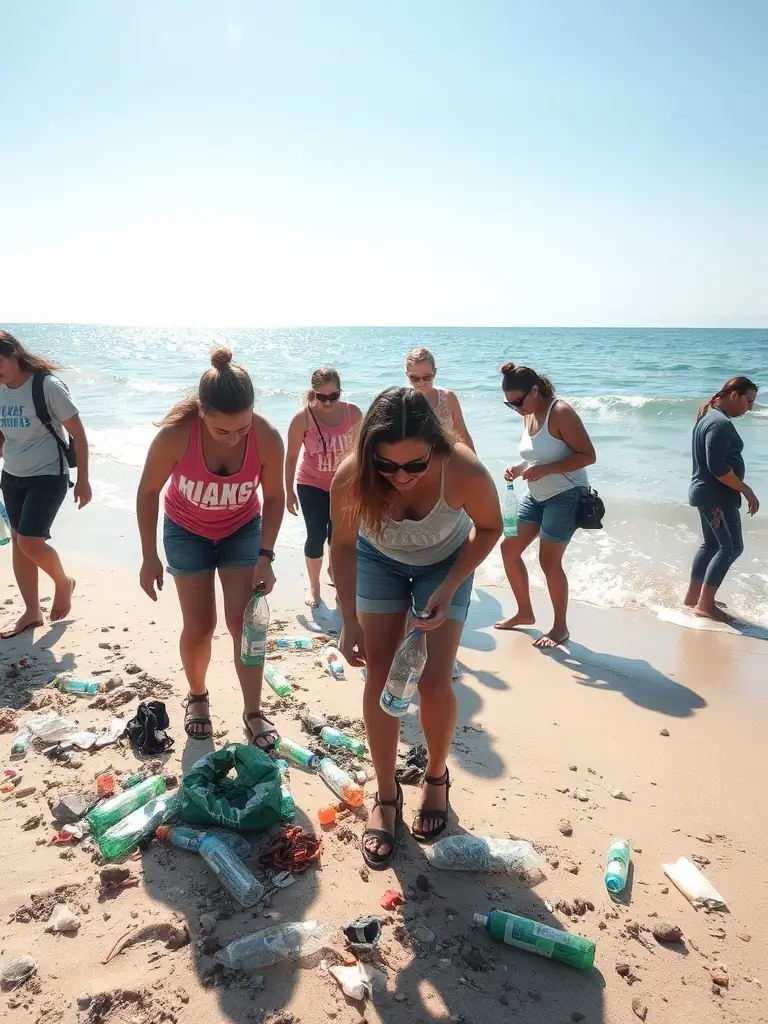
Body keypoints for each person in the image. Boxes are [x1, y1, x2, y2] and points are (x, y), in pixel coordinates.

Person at [331, 386, 502, 869]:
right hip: (377, 561)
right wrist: (348, 619)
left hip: (444, 566)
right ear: (369, 456)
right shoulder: (351, 478)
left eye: (415, 465)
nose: (401, 477)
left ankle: (435, 778)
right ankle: (385, 796)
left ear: (437, 448)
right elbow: (342, 546)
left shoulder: (463, 469)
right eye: (387, 466)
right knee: (381, 677)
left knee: (433, 679)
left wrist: (449, 586)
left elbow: (490, 528)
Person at [136, 347, 285, 744]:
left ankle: (253, 711)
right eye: (223, 431)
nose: (235, 437)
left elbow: (274, 497)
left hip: (241, 530)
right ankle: (198, 697)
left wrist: (266, 556)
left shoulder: (267, 437)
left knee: (246, 627)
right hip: (186, 531)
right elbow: (148, 491)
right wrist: (149, 556)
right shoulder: (176, 436)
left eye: (242, 427)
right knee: (201, 627)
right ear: (202, 411)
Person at [494, 361, 595, 647]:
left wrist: (546, 470)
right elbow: (538, 456)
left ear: (535, 390)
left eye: (518, 401)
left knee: (548, 562)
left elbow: (588, 455)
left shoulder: (560, 412)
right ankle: (525, 612)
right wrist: (519, 467)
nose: (516, 408)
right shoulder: (528, 413)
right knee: (508, 547)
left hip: (566, 495)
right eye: (509, 404)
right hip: (536, 495)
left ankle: (560, 628)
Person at [0, 330, 91, 638]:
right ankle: (31, 611)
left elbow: (78, 433)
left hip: (49, 475)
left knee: (30, 543)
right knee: (18, 542)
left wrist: (84, 481)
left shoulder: (47, 387)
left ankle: (63, 582)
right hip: (12, 475)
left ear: (14, 354)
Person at [683, 376, 759, 622]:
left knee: (712, 545)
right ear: (734, 395)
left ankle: (694, 598)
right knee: (731, 548)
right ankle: (704, 605)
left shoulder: (710, 417)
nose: (750, 408)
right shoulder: (720, 424)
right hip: (716, 496)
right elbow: (717, 467)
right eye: (749, 401)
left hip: (708, 494)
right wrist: (746, 489)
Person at [285, 368, 362, 608]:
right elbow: (291, 456)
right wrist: (289, 491)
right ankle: (314, 586)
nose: (328, 402)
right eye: (322, 397)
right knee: (316, 535)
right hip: (311, 483)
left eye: (334, 396)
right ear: (313, 394)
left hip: (344, 485)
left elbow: (362, 453)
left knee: (340, 538)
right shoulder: (302, 418)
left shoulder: (353, 413)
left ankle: (339, 581)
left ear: (341, 391)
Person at [405, 347, 474, 449]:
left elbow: (463, 434)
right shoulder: (403, 402)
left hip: (449, 459)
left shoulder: (448, 398)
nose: (421, 382)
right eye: (415, 378)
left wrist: (475, 463)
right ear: (407, 375)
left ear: (435, 373)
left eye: (426, 377)